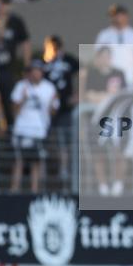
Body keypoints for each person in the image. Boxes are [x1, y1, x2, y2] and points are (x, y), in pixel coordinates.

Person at [81, 46, 128, 196]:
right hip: (96, 120)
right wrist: (107, 97)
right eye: (102, 56)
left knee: (119, 152)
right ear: (97, 58)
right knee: (98, 153)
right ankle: (103, 185)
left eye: (108, 56)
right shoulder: (91, 74)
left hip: (116, 120)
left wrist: (102, 97)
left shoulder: (119, 73)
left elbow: (122, 96)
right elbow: (88, 95)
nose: (105, 59)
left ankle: (118, 184)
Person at [10, 60, 58, 193]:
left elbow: (53, 111)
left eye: (38, 70)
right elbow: (14, 110)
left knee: (36, 161)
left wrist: (52, 103)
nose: (36, 73)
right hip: (22, 128)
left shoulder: (49, 88)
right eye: (33, 70)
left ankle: (35, 190)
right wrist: (23, 99)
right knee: (19, 160)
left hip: (39, 130)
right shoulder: (21, 86)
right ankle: (14, 189)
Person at [43, 35, 79, 190]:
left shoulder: (69, 61)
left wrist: (78, 94)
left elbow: (80, 74)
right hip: (48, 109)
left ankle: (64, 170)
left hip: (65, 107)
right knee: (50, 140)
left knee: (64, 140)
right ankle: (51, 170)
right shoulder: (45, 63)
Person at [0, 0, 31, 125]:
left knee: (9, 101)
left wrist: (27, 66)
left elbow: (25, 43)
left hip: (7, 68)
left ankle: (10, 129)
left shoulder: (15, 22)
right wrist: (1, 20)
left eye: (0, 4)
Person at [94, 4, 133, 88]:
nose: (116, 18)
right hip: (108, 80)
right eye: (113, 16)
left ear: (126, 16)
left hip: (130, 79)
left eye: (119, 15)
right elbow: (98, 58)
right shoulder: (104, 35)